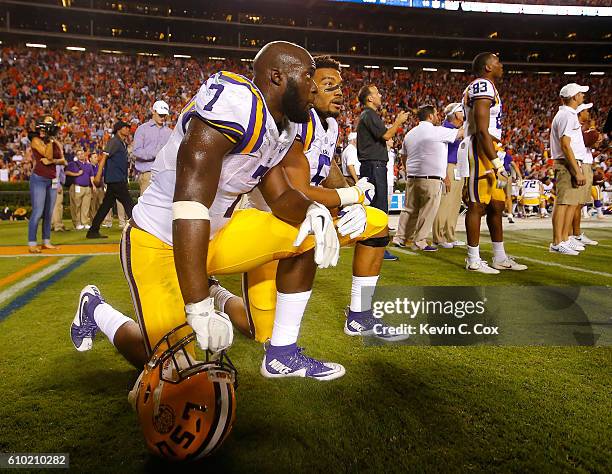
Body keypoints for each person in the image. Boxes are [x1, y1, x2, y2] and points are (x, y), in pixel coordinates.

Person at [71, 42, 344, 386]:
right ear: (277, 76)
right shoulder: (236, 105)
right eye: (308, 77)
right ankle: (96, 310)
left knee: (303, 232)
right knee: (173, 369)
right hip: (159, 240)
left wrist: (314, 209)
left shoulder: (284, 126)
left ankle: (282, 354)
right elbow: (190, 205)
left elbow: (281, 196)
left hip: (216, 235)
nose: (315, 87)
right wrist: (198, 306)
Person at [207, 55, 406, 343]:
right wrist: (350, 195)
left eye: (340, 86)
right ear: (307, 88)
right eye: (328, 85)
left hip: (310, 222)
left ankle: (360, 315)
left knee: (375, 221)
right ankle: (217, 294)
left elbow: (326, 168)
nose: (339, 93)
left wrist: (356, 203)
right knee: (261, 332)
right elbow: (297, 192)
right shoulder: (295, 123)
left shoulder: (331, 125)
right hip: (274, 226)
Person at [459, 52, 527, 273]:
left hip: (489, 148)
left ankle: (499, 256)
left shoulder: (488, 87)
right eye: (497, 62)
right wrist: (496, 162)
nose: (502, 65)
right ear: (488, 67)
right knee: (477, 205)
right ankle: (473, 259)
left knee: (497, 205)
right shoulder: (482, 85)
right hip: (480, 149)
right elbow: (481, 129)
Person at [393, 105, 463, 251]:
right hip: (431, 178)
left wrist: (409, 169)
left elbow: (403, 155)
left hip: (412, 177)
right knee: (428, 210)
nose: (438, 117)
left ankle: (400, 237)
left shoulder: (410, 134)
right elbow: (461, 133)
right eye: (436, 114)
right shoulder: (437, 131)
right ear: (430, 116)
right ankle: (419, 241)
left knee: (409, 210)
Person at [356, 84, 409, 261]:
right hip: (374, 165)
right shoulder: (369, 114)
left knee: (375, 206)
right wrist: (398, 122)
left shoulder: (368, 115)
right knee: (378, 207)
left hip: (373, 164)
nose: (380, 95)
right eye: (377, 93)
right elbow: (386, 136)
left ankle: (373, 244)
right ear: (370, 98)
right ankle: (377, 247)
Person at [549, 83, 589, 255]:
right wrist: (577, 169)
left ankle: (564, 238)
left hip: (569, 162)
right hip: (566, 163)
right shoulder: (567, 115)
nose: (583, 96)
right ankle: (557, 241)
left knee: (569, 202)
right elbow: (565, 145)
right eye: (581, 94)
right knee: (563, 202)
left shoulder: (568, 114)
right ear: (574, 97)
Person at [86, 121, 135, 238]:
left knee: (106, 206)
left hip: (117, 179)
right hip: (115, 179)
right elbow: (103, 158)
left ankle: (93, 231)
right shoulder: (114, 142)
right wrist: (98, 176)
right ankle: (139, 228)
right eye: (125, 128)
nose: (128, 129)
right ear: (119, 130)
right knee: (129, 204)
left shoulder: (122, 143)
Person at [27, 117, 66, 253]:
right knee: (38, 212)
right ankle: (32, 243)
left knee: (49, 213)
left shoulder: (53, 141)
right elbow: (47, 155)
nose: (45, 131)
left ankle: (46, 241)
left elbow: (62, 160)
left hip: (52, 179)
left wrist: (53, 159)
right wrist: (50, 141)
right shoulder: (36, 140)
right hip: (39, 178)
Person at [432, 102, 466, 248]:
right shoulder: (445, 129)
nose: (464, 114)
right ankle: (439, 237)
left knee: (454, 204)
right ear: (456, 114)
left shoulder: (457, 128)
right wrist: (445, 174)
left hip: (459, 167)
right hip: (449, 167)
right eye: (462, 111)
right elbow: (442, 154)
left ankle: (450, 236)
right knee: (445, 204)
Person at [569, 102, 599, 246]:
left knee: (580, 203)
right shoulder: (577, 127)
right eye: (586, 111)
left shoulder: (581, 128)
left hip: (585, 163)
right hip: (581, 165)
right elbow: (589, 139)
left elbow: (594, 142)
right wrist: (593, 129)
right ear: (580, 113)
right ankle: (572, 235)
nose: (589, 114)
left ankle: (575, 234)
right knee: (576, 203)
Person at [132, 100, 172, 195]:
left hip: (164, 174)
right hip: (148, 173)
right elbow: (136, 151)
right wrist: (156, 154)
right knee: (146, 206)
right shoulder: (142, 129)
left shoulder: (170, 132)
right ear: (153, 111)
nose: (162, 117)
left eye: (164, 115)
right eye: (160, 114)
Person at [67, 149, 96, 230]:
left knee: (86, 206)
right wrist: (76, 174)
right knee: (77, 206)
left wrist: (93, 185)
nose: (81, 155)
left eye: (82, 154)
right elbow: (67, 172)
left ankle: (85, 222)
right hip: (78, 187)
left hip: (87, 187)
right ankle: (77, 223)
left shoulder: (88, 165)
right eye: (79, 154)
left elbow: (91, 176)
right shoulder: (73, 164)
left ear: (84, 155)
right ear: (77, 156)